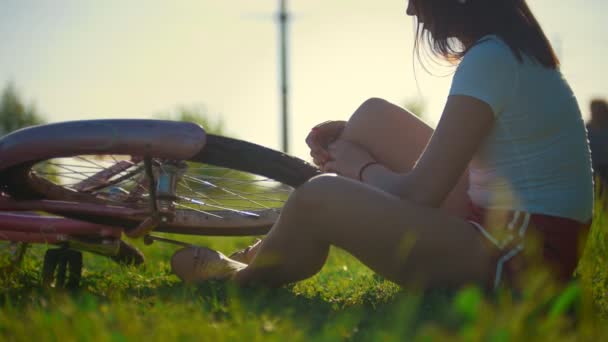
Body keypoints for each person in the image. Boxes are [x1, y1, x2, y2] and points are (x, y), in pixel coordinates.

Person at [171, 0, 594, 291]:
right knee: (371, 116)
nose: (411, 8)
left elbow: (420, 193)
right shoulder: (504, 52)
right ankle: (269, 246)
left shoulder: (490, 59)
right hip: (520, 231)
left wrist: (357, 167)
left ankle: (232, 277)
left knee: (318, 195)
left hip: (523, 257)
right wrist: (357, 142)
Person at [586, 99, 608, 188]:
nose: (596, 114)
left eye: (599, 111)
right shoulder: (585, 130)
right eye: (594, 111)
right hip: (591, 171)